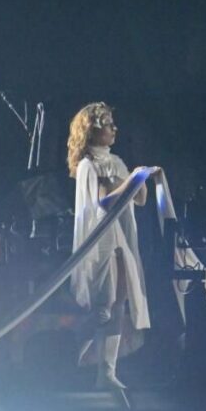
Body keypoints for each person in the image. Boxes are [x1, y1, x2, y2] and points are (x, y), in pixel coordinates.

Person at [67, 102, 158, 389]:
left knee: (119, 304)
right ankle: (69, 358)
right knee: (103, 308)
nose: (113, 128)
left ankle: (106, 373)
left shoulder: (116, 161)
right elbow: (104, 203)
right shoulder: (88, 165)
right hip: (102, 238)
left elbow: (140, 199)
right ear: (92, 130)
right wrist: (132, 179)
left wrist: (138, 178)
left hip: (121, 236)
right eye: (107, 124)